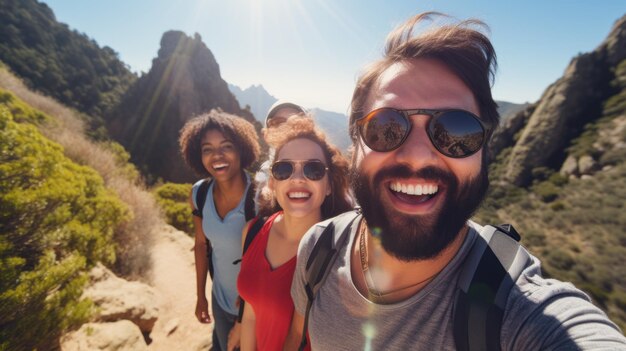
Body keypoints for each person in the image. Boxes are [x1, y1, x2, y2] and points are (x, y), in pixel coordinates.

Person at [287, 12, 626, 350]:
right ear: (355, 143)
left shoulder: (518, 311)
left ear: (484, 152)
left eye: (456, 131)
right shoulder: (319, 249)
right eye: (385, 127)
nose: (418, 156)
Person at [238, 116, 353, 350]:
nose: (298, 179)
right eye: (284, 169)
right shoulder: (253, 232)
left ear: (329, 185)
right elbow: (251, 314)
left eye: (313, 169)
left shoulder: (342, 256)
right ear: (272, 183)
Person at [179, 109, 260, 351]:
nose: (217, 156)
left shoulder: (259, 199)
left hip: (253, 309)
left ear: (241, 150)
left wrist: (245, 316)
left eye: (226, 146)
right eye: (207, 149)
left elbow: (269, 265)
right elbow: (202, 245)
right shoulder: (199, 194)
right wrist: (201, 296)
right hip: (219, 298)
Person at [254, 100, 307, 212]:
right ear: (267, 135)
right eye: (277, 123)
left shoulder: (325, 173)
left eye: (295, 123)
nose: (285, 129)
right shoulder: (261, 177)